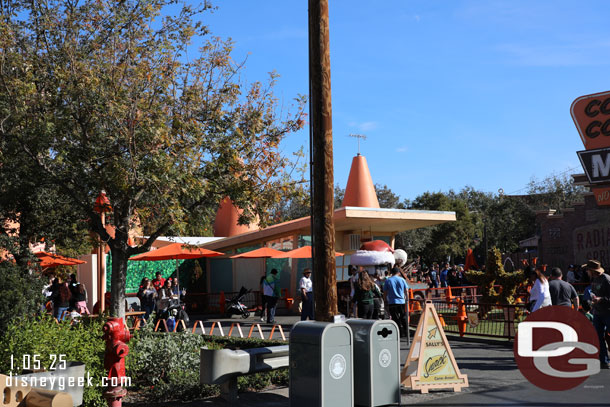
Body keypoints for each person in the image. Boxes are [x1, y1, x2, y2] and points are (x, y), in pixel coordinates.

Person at [584, 260, 610, 369]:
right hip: (597, 313)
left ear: (592, 270)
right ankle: (604, 361)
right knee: (598, 337)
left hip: (608, 312)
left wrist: (601, 299)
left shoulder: (606, 280)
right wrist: (592, 302)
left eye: (587, 270)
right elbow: (595, 294)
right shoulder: (594, 279)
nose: (586, 272)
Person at [384, 266, 409, 337]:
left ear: (392, 273)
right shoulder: (402, 280)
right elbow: (406, 291)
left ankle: (399, 332)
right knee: (403, 316)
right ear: (398, 272)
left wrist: (385, 300)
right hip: (401, 301)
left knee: (395, 317)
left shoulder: (388, 280)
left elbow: (385, 292)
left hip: (392, 301)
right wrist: (407, 299)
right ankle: (406, 331)